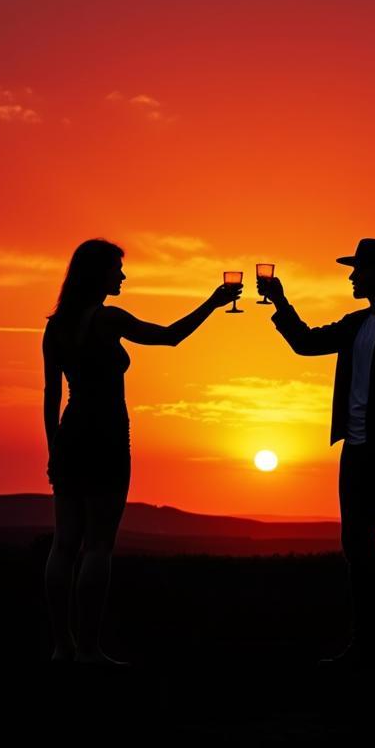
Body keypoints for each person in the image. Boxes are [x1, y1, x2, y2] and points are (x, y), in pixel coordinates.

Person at [42, 238, 242, 664]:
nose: (122, 276)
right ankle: (90, 649)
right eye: (117, 269)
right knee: (98, 545)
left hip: (70, 436)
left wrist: (52, 449)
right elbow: (170, 338)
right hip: (108, 437)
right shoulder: (109, 319)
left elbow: (50, 395)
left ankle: (62, 647)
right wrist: (212, 302)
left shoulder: (55, 326)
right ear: (97, 274)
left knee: (63, 544)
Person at [260, 238, 375, 673]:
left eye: (357, 270)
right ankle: (366, 648)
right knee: (357, 550)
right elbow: (306, 343)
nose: (351, 277)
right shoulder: (355, 323)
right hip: (356, 454)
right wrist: (281, 302)